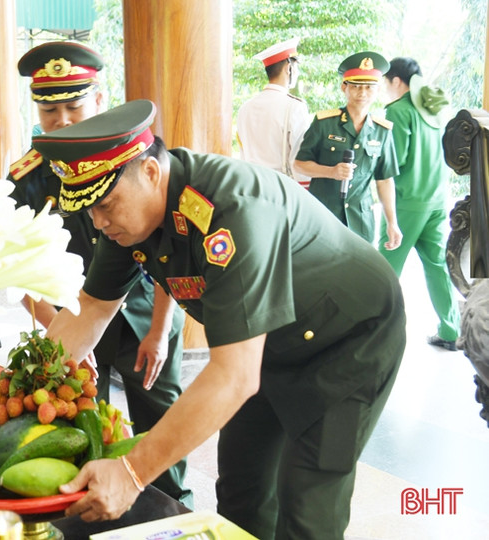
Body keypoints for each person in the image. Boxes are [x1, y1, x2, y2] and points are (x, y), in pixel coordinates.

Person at [31, 100, 406, 540]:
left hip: (346, 340)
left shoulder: (232, 208)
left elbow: (234, 376)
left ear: (150, 173)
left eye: (107, 205)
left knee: (308, 506)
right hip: (264, 345)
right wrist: (24, 388)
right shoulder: (126, 218)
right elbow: (92, 308)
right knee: (242, 493)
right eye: (90, 209)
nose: (99, 221)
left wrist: (131, 473)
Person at [7, 42, 192, 507]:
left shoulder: (134, 156)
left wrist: (161, 328)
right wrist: (62, 336)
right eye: (50, 111)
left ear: (99, 98)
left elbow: (170, 245)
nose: (64, 120)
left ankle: (175, 511)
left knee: (161, 418)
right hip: (75, 315)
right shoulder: (27, 178)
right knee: (88, 427)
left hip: (147, 311)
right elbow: (19, 271)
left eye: (74, 105)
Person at [382, 57, 460, 351]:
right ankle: (451, 331)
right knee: (438, 265)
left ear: (397, 82)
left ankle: (374, 330)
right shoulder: (435, 109)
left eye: (385, 82)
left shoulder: (398, 112)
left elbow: (394, 162)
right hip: (438, 200)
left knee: (385, 269)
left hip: (406, 205)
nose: (384, 89)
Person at [294, 51, 403, 250]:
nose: (362, 93)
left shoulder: (382, 131)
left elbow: (385, 180)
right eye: (356, 86)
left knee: (358, 277)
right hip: (323, 215)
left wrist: (392, 223)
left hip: (360, 220)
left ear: (377, 90)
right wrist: (331, 172)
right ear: (344, 87)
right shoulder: (324, 124)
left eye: (369, 87)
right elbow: (300, 164)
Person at [236, 37, 311, 188]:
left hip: (252, 187)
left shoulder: (245, 108)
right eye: (296, 67)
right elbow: (299, 159)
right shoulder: (294, 107)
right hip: (282, 189)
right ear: (289, 68)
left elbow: (243, 155)